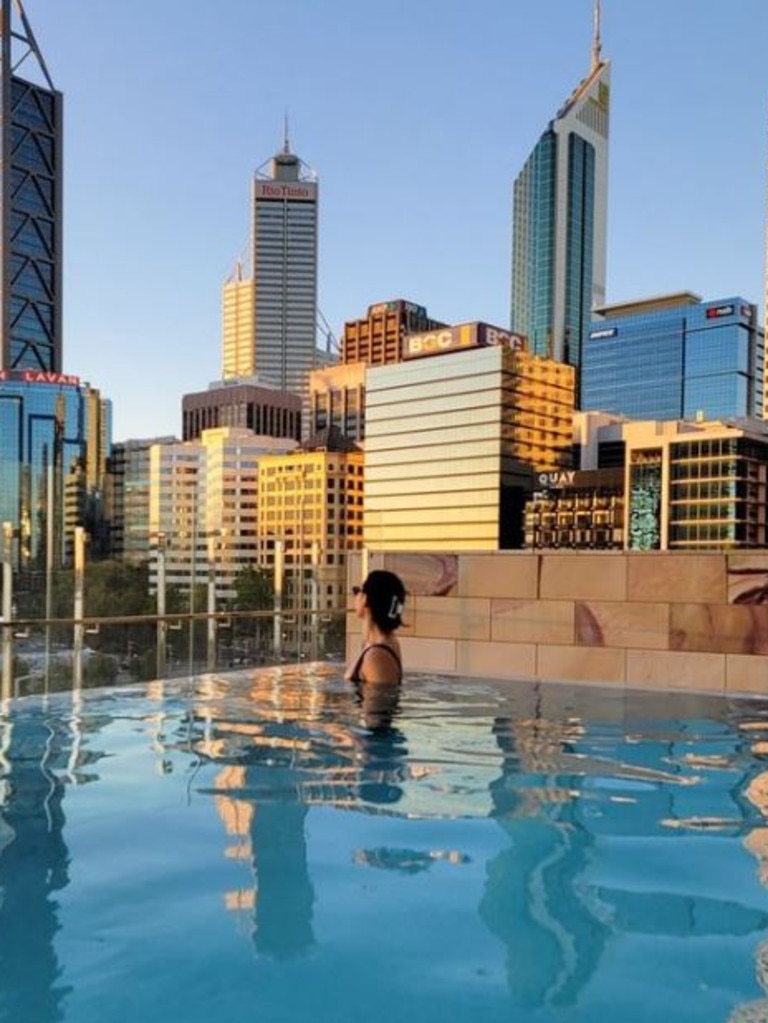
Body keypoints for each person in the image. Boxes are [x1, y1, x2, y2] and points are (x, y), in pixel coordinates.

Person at [344, 569, 406, 685]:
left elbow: (379, 702)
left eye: (358, 591)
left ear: (366, 600)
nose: (356, 596)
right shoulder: (382, 643)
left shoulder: (376, 657)